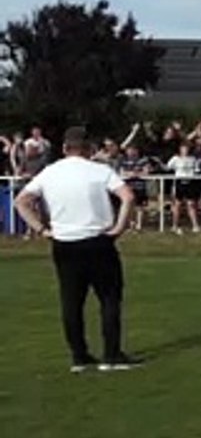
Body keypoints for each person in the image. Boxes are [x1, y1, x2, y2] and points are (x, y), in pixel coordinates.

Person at [15, 127, 139, 372]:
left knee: (71, 301)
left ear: (64, 148)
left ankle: (79, 356)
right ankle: (111, 354)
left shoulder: (50, 172)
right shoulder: (100, 171)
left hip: (64, 242)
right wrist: (119, 227)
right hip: (98, 240)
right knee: (109, 298)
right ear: (89, 149)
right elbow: (128, 197)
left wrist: (41, 229)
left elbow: (22, 201)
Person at [166, 141, 201, 234]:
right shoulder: (175, 158)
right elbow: (168, 167)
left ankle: (195, 226)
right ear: (180, 149)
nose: (185, 150)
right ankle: (175, 225)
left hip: (190, 183)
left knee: (191, 204)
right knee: (177, 205)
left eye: (186, 148)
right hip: (179, 183)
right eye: (183, 148)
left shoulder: (193, 159)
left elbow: (197, 170)